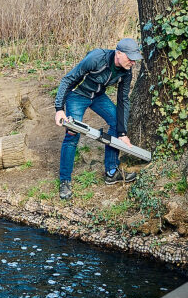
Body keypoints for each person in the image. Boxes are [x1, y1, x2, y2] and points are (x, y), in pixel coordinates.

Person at [54, 38, 143, 200]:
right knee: (73, 133)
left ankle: (111, 171)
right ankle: (65, 180)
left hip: (98, 97)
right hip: (77, 95)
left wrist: (122, 133)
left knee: (117, 122)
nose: (133, 62)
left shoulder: (126, 71)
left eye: (135, 59)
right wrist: (59, 109)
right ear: (118, 53)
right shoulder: (96, 58)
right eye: (130, 58)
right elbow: (68, 79)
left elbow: (123, 100)